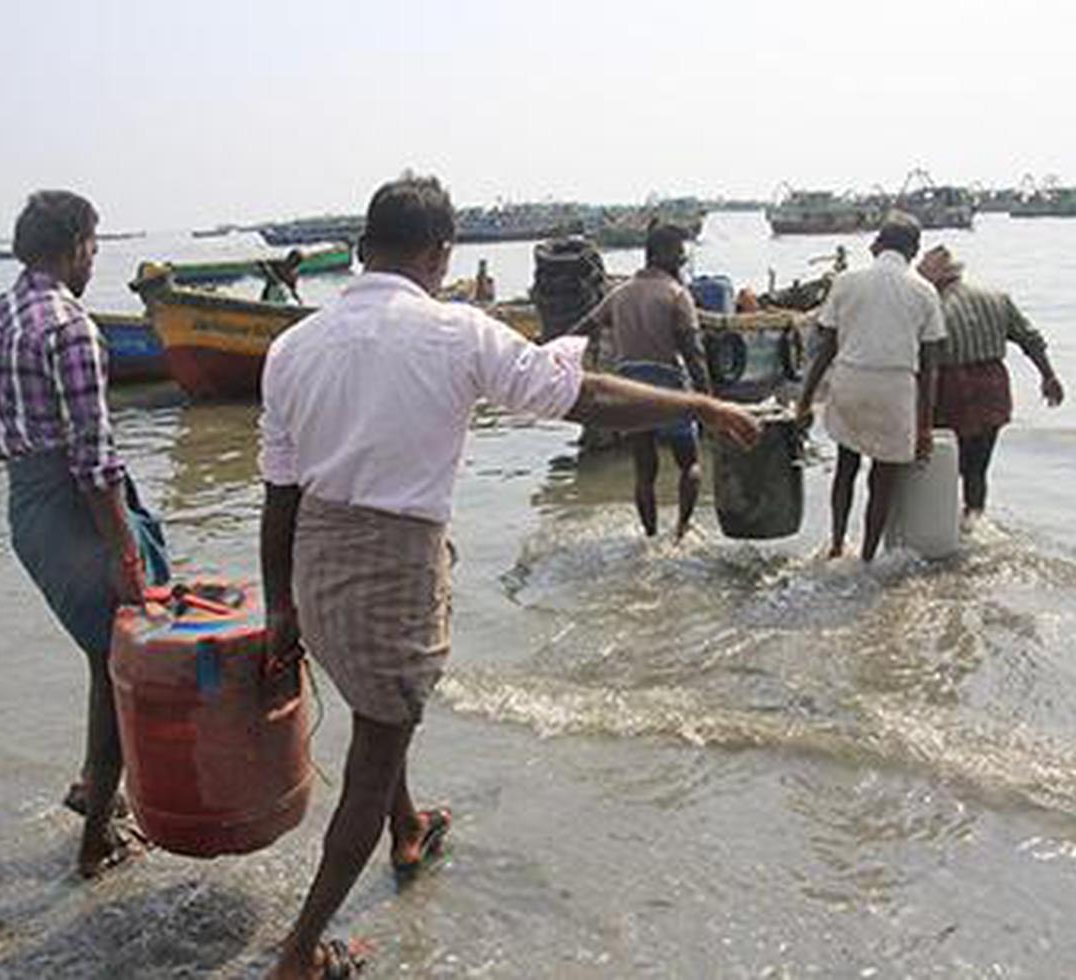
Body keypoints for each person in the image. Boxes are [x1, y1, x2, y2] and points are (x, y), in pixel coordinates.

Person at [258, 175, 760, 980]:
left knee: (376, 713)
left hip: (314, 564)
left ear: (361, 249)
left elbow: (278, 490)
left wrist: (280, 605)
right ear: (438, 252)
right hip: (393, 566)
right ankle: (299, 952)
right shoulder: (456, 332)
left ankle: (409, 826)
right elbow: (585, 397)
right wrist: (696, 405)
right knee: (374, 751)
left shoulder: (292, 347)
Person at [0, 190, 168, 878]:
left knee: (100, 650)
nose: (95, 260)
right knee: (120, 661)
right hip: (76, 508)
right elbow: (94, 457)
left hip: (28, 512)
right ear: (75, 245)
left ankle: (91, 785)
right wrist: (125, 550)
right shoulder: (70, 326)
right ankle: (97, 835)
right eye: (95, 247)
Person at [795, 212, 947, 561]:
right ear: (914, 250)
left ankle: (835, 543)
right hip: (895, 390)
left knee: (846, 467)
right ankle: (866, 556)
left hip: (850, 382)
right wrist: (924, 426)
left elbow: (825, 349)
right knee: (883, 479)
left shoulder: (846, 281)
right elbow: (930, 368)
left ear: (878, 245)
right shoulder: (924, 290)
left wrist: (804, 399)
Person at [572, 222, 710, 539]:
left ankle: (649, 535)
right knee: (689, 463)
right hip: (667, 385)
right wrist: (709, 402)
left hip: (629, 387)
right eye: (679, 255)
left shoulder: (620, 294)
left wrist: (550, 355)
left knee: (644, 468)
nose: (682, 261)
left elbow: (584, 327)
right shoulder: (678, 295)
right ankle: (681, 530)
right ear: (666, 257)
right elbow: (694, 353)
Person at [916, 244, 1065, 522]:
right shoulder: (997, 298)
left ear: (933, 279)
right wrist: (1048, 375)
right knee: (978, 466)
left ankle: (945, 525)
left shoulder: (933, 307)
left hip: (951, 388)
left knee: (946, 464)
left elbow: (926, 359)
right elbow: (1029, 338)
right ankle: (974, 519)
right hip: (992, 386)